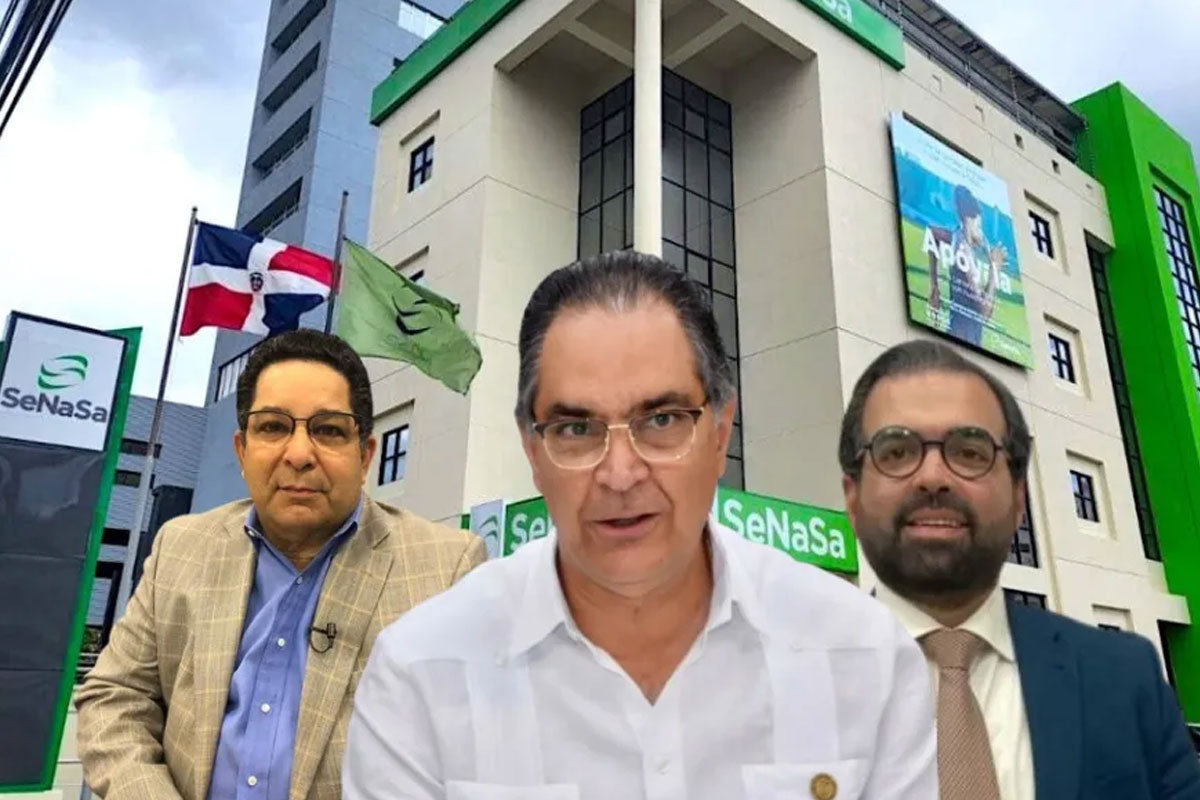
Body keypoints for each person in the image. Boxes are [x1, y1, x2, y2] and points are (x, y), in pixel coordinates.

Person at [343, 252, 937, 799]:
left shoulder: (865, 659)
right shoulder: (420, 676)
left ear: (720, 433)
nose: (620, 474)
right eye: (576, 429)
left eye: (662, 420)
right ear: (532, 450)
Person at [76, 330, 485, 800]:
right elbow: (116, 697)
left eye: (328, 430)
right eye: (273, 427)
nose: (299, 454)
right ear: (241, 449)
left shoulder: (448, 570)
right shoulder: (182, 547)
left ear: (365, 455)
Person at [839, 339, 1200, 800]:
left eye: (970, 452)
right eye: (896, 452)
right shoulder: (777, 693)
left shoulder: (1127, 681)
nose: (933, 477)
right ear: (852, 497)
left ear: (1018, 500)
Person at [927, 185, 1007, 347]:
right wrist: (994, 269)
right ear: (970, 219)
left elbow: (932, 232)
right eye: (979, 226)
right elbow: (984, 312)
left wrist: (934, 286)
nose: (982, 234)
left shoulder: (956, 236)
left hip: (967, 337)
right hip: (962, 338)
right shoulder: (964, 250)